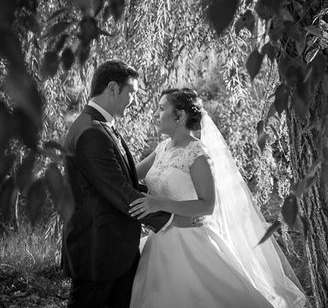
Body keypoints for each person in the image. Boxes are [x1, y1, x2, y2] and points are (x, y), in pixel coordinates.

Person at [128, 88, 307, 308]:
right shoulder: (162, 147)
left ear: (180, 115)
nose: (156, 113)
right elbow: (131, 176)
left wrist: (160, 204)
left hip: (190, 242)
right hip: (159, 241)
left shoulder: (197, 154)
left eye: (162, 108)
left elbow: (207, 205)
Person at [62, 60, 196, 308]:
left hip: (115, 250)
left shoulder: (101, 126)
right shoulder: (91, 132)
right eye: (131, 92)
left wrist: (170, 199)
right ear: (113, 88)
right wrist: (171, 219)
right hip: (98, 254)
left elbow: (125, 181)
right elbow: (120, 192)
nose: (133, 100)